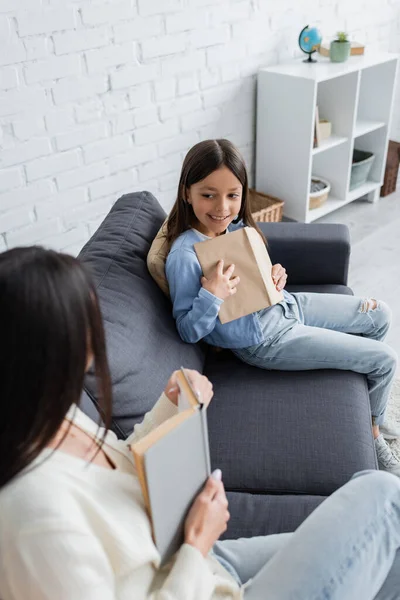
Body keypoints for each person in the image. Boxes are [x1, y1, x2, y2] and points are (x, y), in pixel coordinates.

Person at [1, 246, 400, 600]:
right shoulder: (33, 516)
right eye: (90, 323)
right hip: (191, 571)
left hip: (193, 565)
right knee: (383, 498)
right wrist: (195, 542)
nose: (99, 338)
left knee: (378, 538)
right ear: (50, 350)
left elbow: (119, 465)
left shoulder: (53, 416)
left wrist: (170, 406)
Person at [165, 139, 400, 476]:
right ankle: (373, 434)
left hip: (289, 306)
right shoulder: (185, 256)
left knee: (380, 314)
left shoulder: (236, 229)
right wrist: (211, 295)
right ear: (187, 193)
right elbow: (188, 331)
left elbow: (256, 281)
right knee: (385, 360)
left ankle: (371, 409)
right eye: (208, 194)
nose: (222, 207)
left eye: (233, 194)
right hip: (265, 340)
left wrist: (274, 275)